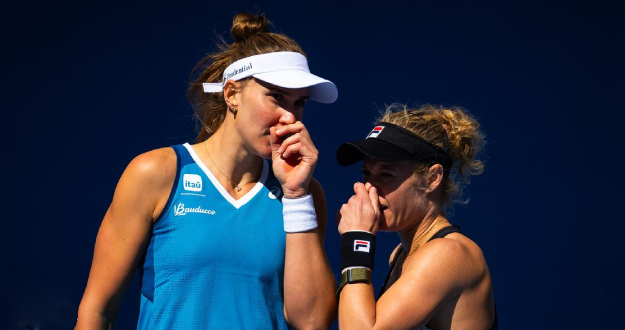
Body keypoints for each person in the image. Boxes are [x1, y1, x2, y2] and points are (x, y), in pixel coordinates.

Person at [75, 12, 338, 330]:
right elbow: (97, 311)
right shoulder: (155, 173)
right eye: (277, 97)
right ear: (231, 95)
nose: (290, 118)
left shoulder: (304, 194)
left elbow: (312, 322)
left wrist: (296, 195)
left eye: (300, 103)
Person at [334, 104, 497, 330]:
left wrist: (357, 239)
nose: (369, 187)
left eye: (385, 174)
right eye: (366, 173)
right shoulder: (401, 255)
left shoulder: (445, 254)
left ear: (432, 179)